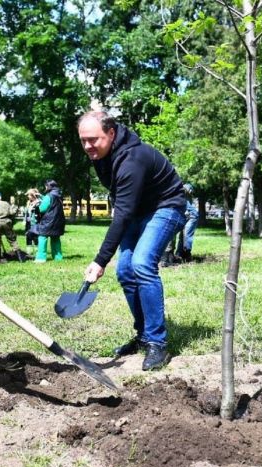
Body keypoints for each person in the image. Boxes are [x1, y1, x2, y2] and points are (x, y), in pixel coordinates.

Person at [78, 111, 186, 371]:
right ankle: (143, 335)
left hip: (166, 206)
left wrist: (100, 260)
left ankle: (157, 344)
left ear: (111, 133)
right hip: (138, 211)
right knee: (125, 270)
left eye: (93, 139)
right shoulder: (102, 156)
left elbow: (122, 213)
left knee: (141, 264)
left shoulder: (132, 159)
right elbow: (124, 204)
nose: (88, 146)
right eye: (83, 141)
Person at [33, 180, 66, 262]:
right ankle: (58, 258)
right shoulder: (59, 195)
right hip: (58, 221)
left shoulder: (48, 196)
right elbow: (52, 201)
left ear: (49, 186)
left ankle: (40, 258)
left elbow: (42, 209)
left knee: (42, 237)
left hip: (48, 222)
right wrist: (41, 196)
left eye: (46, 186)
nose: (45, 187)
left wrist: (37, 205)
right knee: (55, 239)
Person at [24, 188, 41, 256]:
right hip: (28, 223)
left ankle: (38, 251)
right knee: (28, 236)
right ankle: (29, 252)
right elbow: (26, 213)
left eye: (29, 195)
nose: (28, 196)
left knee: (36, 237)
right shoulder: (28, 203)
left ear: (33, 195)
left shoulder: (38, 202)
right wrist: (24, 220)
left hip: (36, 223)